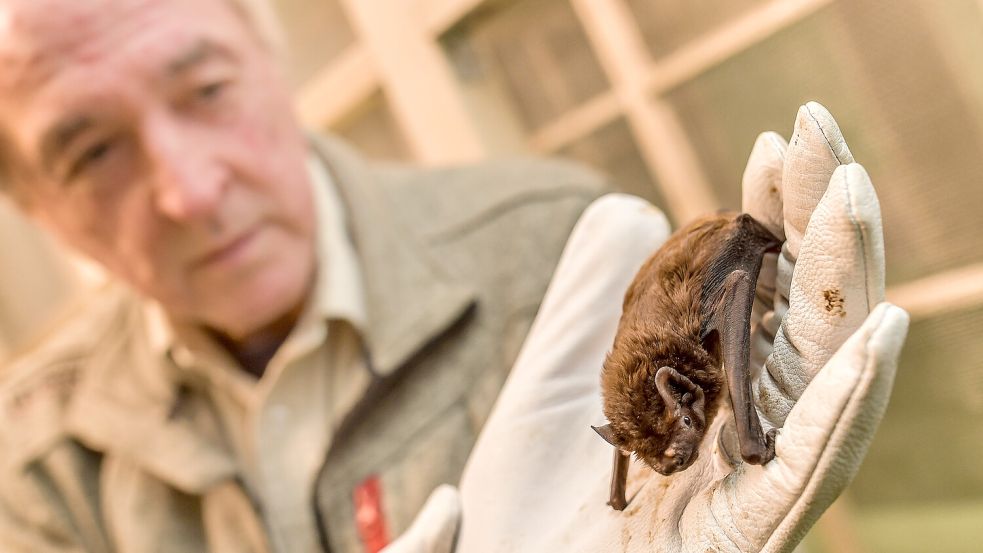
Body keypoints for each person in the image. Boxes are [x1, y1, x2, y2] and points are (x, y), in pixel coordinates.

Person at [0, 1, 910, 553]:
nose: (190, 191)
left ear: (274, 70)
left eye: (206, 90)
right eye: (89, 153)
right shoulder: (31, 468)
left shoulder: (559, 256)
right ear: (38, 209)